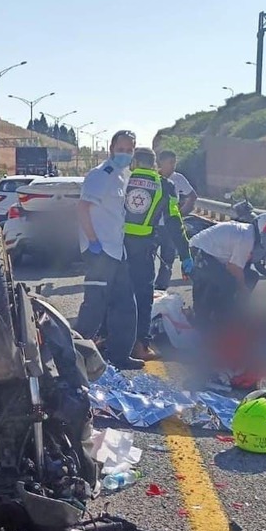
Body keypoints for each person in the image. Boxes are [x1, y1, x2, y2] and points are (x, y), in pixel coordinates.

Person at [76, 130, 146, 370]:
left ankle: (119, 355)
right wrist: (92, 242)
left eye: (129, 150)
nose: (125, 154)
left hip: (116, 251)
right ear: (111, 149)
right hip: (100, 250)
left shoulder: (123, 175)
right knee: (94, 306)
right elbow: (83, 208)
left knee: (125, 304)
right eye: (121, 149)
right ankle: (74, 356)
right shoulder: (100, 175)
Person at [122, 147, 193, 360]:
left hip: (117, 246)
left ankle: (106, 338)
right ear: (154, 164)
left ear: (134, 162)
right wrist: (185, 254)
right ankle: (140, 347)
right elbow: (174, 222)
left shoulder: (123, 179)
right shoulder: (166, 185)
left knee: (117, 293)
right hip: (143, 248)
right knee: (143, 297)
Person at [188, 216, 266, 328]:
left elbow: (238, 266)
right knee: (228, 283)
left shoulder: (248, 232)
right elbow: (234, 268)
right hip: (199, 250)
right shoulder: (247, 238)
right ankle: (219, 319)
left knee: (251, 276)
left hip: (208, 252)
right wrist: (242, 288)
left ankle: (217, 314)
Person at [154, 149, 198, 290]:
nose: (173, 166)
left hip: (170, 226)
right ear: (161, 162)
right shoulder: (153, 178)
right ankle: (146, 288)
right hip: (152, 226)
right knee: (147, 259)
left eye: (175, 162)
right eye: (170, 162)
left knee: (168, 260)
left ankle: (161, 289)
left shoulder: (178, 178)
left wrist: (182, 213)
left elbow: (192, 196)